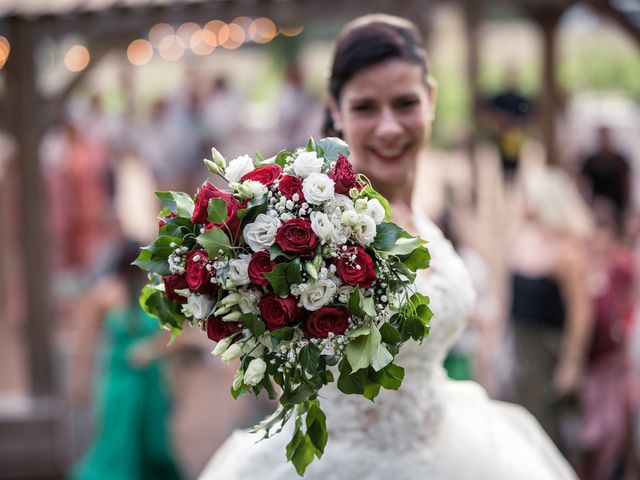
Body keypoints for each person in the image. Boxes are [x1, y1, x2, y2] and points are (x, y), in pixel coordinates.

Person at [198, 14, 576, 479]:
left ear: (432, 98)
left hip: (452, 448)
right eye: (365, 108)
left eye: (405, 103)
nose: (390, 127)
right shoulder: (307, 224)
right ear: (334, 107)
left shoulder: (430, 216)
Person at [68, 239, 183, 480]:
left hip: (150, 380)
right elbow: (86, 341)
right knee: (119, 441)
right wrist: (80, 379)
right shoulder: (105, 293)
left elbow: (175, 334)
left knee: (153, 443)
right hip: (120, 379)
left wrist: (152, 350)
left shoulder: (155, 292)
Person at [502, 166, 593, 461]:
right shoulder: (522, 238)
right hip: (518, 343)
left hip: (548, 348)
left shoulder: (568, 249)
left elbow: (581, 312)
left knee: (550, 429)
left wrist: (571, 362)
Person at [485, 65, 534, 184]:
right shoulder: (500, 98)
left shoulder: (520, 98)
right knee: (504, 166)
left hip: (516, 136)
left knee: (516, 165)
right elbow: (490, 111)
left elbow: (527, 115)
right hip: (503, 136)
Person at [580, 126, 632, 227]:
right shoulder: (591, 161)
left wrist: (626, 204)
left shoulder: (619, 160)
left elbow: (626, 182)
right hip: (597, 204)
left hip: (617, 204)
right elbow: (582, 181)